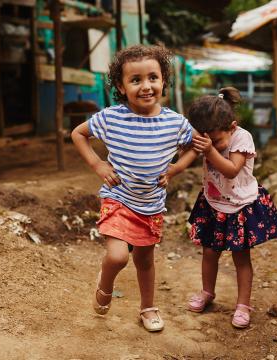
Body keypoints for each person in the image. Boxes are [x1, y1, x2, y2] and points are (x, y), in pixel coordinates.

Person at [71, 45, 196, 332]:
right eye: (135, 80)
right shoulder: (112, 117)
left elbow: (194, 146)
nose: (146, 86)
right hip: (118, 198)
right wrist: (98, 165)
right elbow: (78, 133)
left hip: (151, 204)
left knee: (144, 260)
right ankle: (105, 284)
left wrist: (176, 168)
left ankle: (148, 308)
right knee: (118, 256)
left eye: (153, 77)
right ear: (121, 85)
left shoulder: (175, 122)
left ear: (163, 79)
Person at [186, 87, 277, 329]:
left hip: (240, 205)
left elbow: (231, 169)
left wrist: (209, 150)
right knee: (209, 253)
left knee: (241, 257)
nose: (214, 145)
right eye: (207, 140)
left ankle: (242, 305)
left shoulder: (242, 138)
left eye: (217, 140)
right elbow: (186, 153)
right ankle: (207, 292)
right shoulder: (208, 137)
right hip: (213, 204)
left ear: (232, 126)